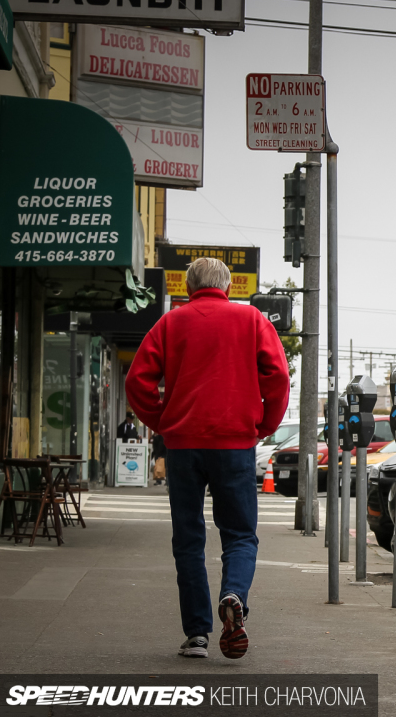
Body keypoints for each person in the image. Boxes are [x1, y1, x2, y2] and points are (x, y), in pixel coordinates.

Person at [126, 257, 289, 660]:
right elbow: (278, 377)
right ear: (229, 287)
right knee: (239, 533)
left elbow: (137, 380)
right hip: (234, 442)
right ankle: (233, 594)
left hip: (182, 445)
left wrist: (162, 421)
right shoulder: (251, 320)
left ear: (188, 287)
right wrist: (263, 425)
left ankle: (197, 633)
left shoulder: (170, 323)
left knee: (188, 537)